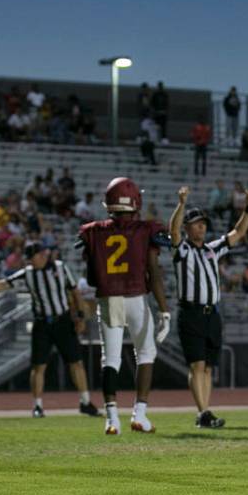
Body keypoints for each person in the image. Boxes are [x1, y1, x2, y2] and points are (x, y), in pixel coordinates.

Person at [77, 177, 172, 436]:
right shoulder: (145, 229)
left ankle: (111, 419)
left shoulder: (93, 231)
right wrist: (164, 309)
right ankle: (139, 414)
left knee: (111, 359)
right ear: (134, 201)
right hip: (136, 298)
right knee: (145, 354)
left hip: (109, 299)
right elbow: (153, 271)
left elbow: (92, 277)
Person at [0, 242, 99, 418]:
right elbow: (3, 284)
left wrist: (80, 317)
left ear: (41, 255)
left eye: (34, 258)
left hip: (62, 321)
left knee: (76, 362)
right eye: (30, 259)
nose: (32, 262)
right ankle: (37, 406)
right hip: (42, 324)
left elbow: (75, 292)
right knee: (39, 366)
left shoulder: (60, 268)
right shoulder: (28, 273)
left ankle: (85, 402)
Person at [169, 186, 248, 429]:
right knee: (197, 364)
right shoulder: (182, 250)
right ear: (188, 227)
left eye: (203, 223)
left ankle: (205, 413)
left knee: (207, 367)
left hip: (211, 314)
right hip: (191, 313)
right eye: (196, 224)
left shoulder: (211, 249)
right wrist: (181, 204)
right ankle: (203, 411)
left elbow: (238, 232)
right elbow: (173, 231)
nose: (201, 227)